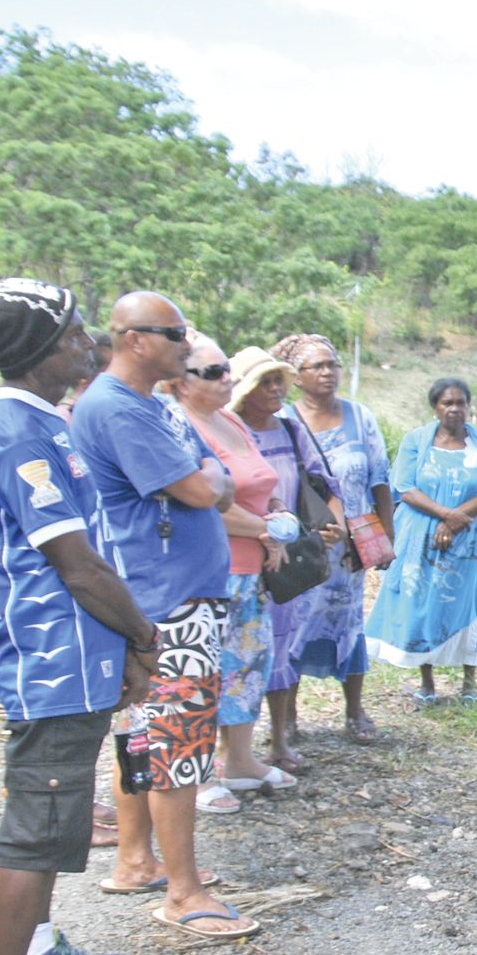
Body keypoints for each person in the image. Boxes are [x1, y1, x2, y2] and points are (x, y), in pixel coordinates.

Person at [0, 279, 155, 955]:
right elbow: (76, 567)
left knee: (53, 818)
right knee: (35, 832)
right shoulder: (20, 436)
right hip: (51, 659)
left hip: (75, 656)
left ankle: (37, 947)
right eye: (73, 332)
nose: (88, 343)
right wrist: (142, 636)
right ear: (41, 350)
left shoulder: (40, 421)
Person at [72, 291, 256, 940]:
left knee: (147, 735)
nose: (186, 343)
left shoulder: (148, 406)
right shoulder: (120, 410)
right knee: (177, 742)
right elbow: (205, 488)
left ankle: (135, 860)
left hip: (171, 593)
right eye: (175, 334)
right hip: (165, 600)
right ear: (134, 340)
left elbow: (208, 478)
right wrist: (210, 477)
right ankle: (183, 892)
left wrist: (209, 475)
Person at [170, 336, 295, 806]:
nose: (226, 378)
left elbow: (263, 481)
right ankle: (198, 772)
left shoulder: (229, 421)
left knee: (246, 665)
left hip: (252, 570)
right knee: (204, 671)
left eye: (227, 369)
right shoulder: (180, 428)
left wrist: (276, 518)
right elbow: (205, 506)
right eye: (212, 372)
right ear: (181, 382)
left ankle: (239, 760)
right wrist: (266, 530)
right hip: (210, 570)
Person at [271, 333, 392, 741]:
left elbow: (380, 482)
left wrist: (385, 540)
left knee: (349, 622)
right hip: (302, 545)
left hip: (350, 549)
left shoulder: (361, 417)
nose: (327, 372)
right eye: (316, 366)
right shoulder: (284, 421)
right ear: (296, 376)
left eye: (332, 364)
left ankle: (354, 712)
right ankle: (287, 717)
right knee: (294, 624)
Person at [228, 345, 341, 775]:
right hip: (240, 554)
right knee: (238, 654)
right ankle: (234, 752)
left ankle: (277, 740)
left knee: (281, 645)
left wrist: (336, 527)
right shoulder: (231, 431)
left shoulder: (291, 430)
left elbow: (323, 481)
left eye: (279, 380)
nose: (276, 389)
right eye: (265, 381)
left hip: (286, 556)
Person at [365, 377, 477, 704]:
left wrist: (454, 523)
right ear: (435, 407)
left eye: (460, 403)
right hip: (419, 536)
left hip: (467, 540)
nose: (454, 409)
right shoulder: (416, 441)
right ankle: (427, 683)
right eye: (447, 403)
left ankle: (469, 683)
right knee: (423, 601)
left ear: (469, 406)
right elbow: (406, 487)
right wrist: (446, 515)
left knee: (465, 602)